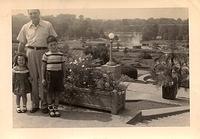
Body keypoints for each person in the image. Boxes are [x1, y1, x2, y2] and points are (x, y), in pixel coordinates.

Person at [17, 9, 58, 113]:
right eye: (31, 13)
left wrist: (54, 55)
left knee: (43, 79)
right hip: (30, 53)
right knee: (33, 79)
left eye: (35, 13)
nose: (33, 15)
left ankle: (44, 105)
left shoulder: (47, 25)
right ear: (28, 15)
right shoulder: (25, 26)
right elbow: (22, 43)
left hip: (44, 53)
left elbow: (53, 40)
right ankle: (35, 104)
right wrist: (18, 57)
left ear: (39, 13)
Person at [41, 35, 65, 117]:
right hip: (49, 76)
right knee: (49, 93)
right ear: (48, 46)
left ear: (57, 44)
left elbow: (63, 67)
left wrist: (63, 77)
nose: (53, 46)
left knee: (57, 93)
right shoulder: (46, 55)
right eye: (51, 45)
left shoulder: (61, 55)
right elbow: (43, 67)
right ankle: (50, 108)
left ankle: (56, 108)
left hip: (58, 76)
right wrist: (43, 78)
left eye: (55, 44)